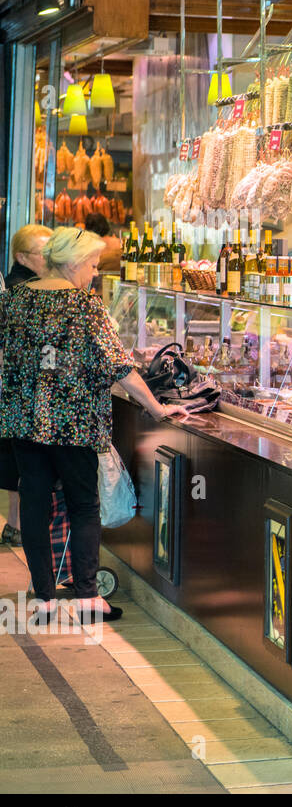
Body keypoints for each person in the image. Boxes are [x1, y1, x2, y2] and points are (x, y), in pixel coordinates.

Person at [0, 228, 188, 623]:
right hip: (74, 424)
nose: (94, 273)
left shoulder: (16, 299)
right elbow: (119, 366)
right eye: (91, 265)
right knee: (84, 505)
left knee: (35, 507)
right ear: (71, 262)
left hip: (24, 422)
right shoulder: (84, 306)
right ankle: (87, 597)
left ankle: (45, 599)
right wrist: (156, 408)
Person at [1, 224, 52, 546]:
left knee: (16, 456)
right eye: (43, 253)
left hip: (13, 386)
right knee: (25, 459)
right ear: (22, 256)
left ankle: (16, 526)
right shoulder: (27, 290)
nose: (50, 259)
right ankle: (21, 528)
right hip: (20, 386)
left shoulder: (18, 287)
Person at [5, 222, 52, 290]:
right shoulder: (17, 290)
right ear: (21, 258)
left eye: (52, 252)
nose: (51, 258)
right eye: (44, 253)